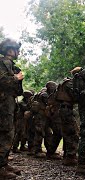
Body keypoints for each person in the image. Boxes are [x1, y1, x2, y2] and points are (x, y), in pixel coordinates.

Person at [0, 38, 24, 179]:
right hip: (3, 103)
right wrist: (16, 78)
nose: (19, 52)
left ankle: (3, 163)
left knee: (9, 132)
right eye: (17, 49)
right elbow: (2, 81)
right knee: (4, 132)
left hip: (8, 102)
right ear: (10, 50)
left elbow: (18, 91)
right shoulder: (2, 63)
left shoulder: (10, 65)